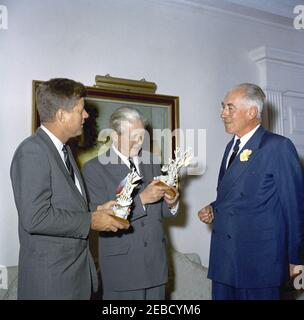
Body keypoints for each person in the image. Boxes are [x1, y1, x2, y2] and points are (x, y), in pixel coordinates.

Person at [10, 78, 128, 300]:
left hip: (72, 279)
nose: (86, 116)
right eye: (80, 110)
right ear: (61, 115)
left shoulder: (64, 151)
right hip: (51, 284)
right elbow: (35, 217)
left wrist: (97, 209)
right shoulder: (33, 151)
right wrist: (91, 220)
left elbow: (65, 204)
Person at [198, 83, 304, 300]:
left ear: (252, 112)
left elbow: (295, 207)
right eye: (223, 107)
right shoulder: (231, 147)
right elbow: (232, 195)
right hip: (225, 260)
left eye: (230, 107)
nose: (223, 113)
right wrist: (213, 208)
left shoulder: (278, 147)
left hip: (259, 263)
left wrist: (297, 258)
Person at [82, 107, 179, 300]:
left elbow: (161, 212)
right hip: (123, 269)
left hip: (155, 265)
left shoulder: (152, 162)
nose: (139, 142)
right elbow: (101, 220)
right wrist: (142, 199)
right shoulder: (94, 169)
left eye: (142, 135)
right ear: (115, 136)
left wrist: (172, 203)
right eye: (133, 136)